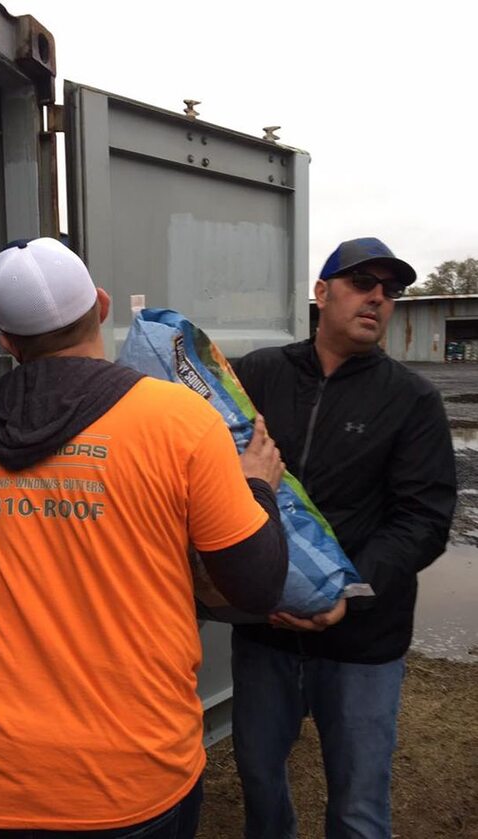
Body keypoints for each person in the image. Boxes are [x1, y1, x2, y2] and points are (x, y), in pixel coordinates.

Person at [0, 237, 289, 839]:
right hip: (127, 777)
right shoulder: (180, 420)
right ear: (103, 306)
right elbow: (258, 586)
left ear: (8, 342)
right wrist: (258, 487)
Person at [232, 237, 457, 839]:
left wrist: (348, 593)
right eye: (363, 282)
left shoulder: (412, 400)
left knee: (358, 807)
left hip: (363, 638)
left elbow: (423, 519)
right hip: (266, 630)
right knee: (257, 774)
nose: (379, 298)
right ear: (322, 292)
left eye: (392, 290)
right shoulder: (257, 374)